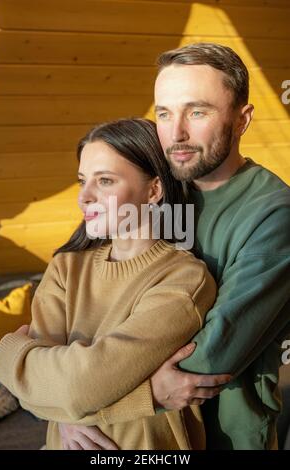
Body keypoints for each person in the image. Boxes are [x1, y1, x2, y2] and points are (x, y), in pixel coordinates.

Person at [57, 43, 290, 450]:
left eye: (197, 111)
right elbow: (83, 301)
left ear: (242, 119)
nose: (176, 132)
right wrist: (62, 401)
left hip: (225, 437)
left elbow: (213, 355)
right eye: (164, 113)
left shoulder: (274, 214)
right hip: (133, 439)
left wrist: (74, 401)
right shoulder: (155, 189)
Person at [0, 118, 220, 450]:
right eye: (83, 180)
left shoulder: (183, 278)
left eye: (105, 181)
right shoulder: (65, 267)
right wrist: (149, 395)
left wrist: (9, 353)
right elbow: (34, 391)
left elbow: (78, 387)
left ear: (153, 190)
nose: (84, 196)